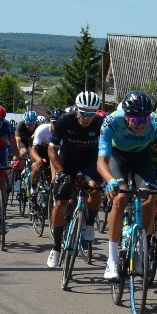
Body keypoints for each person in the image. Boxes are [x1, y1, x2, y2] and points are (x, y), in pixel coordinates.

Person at [98, 90, 157, 281]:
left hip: (142, 158)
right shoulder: (112, 121)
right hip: (117, 156)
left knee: (150, 197)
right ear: (126, 116)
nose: (142, 125)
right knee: (121, 196)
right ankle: (112, 259)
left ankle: (140, 244)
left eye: (145, 119)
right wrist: (110, 181)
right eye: (136, 120)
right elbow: (102, 161)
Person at [45, 92, 107, 269]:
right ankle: (56, 248)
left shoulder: (100, 122)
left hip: (89, 158)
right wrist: (60, 172)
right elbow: (52, 149)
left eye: (91, 114)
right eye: (83, 113)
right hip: (68, 159)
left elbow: (106, 148)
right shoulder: (65, 120)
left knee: (95, 188)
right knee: (60, 204)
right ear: (77, 110)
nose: (87, 117)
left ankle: (90, 224)